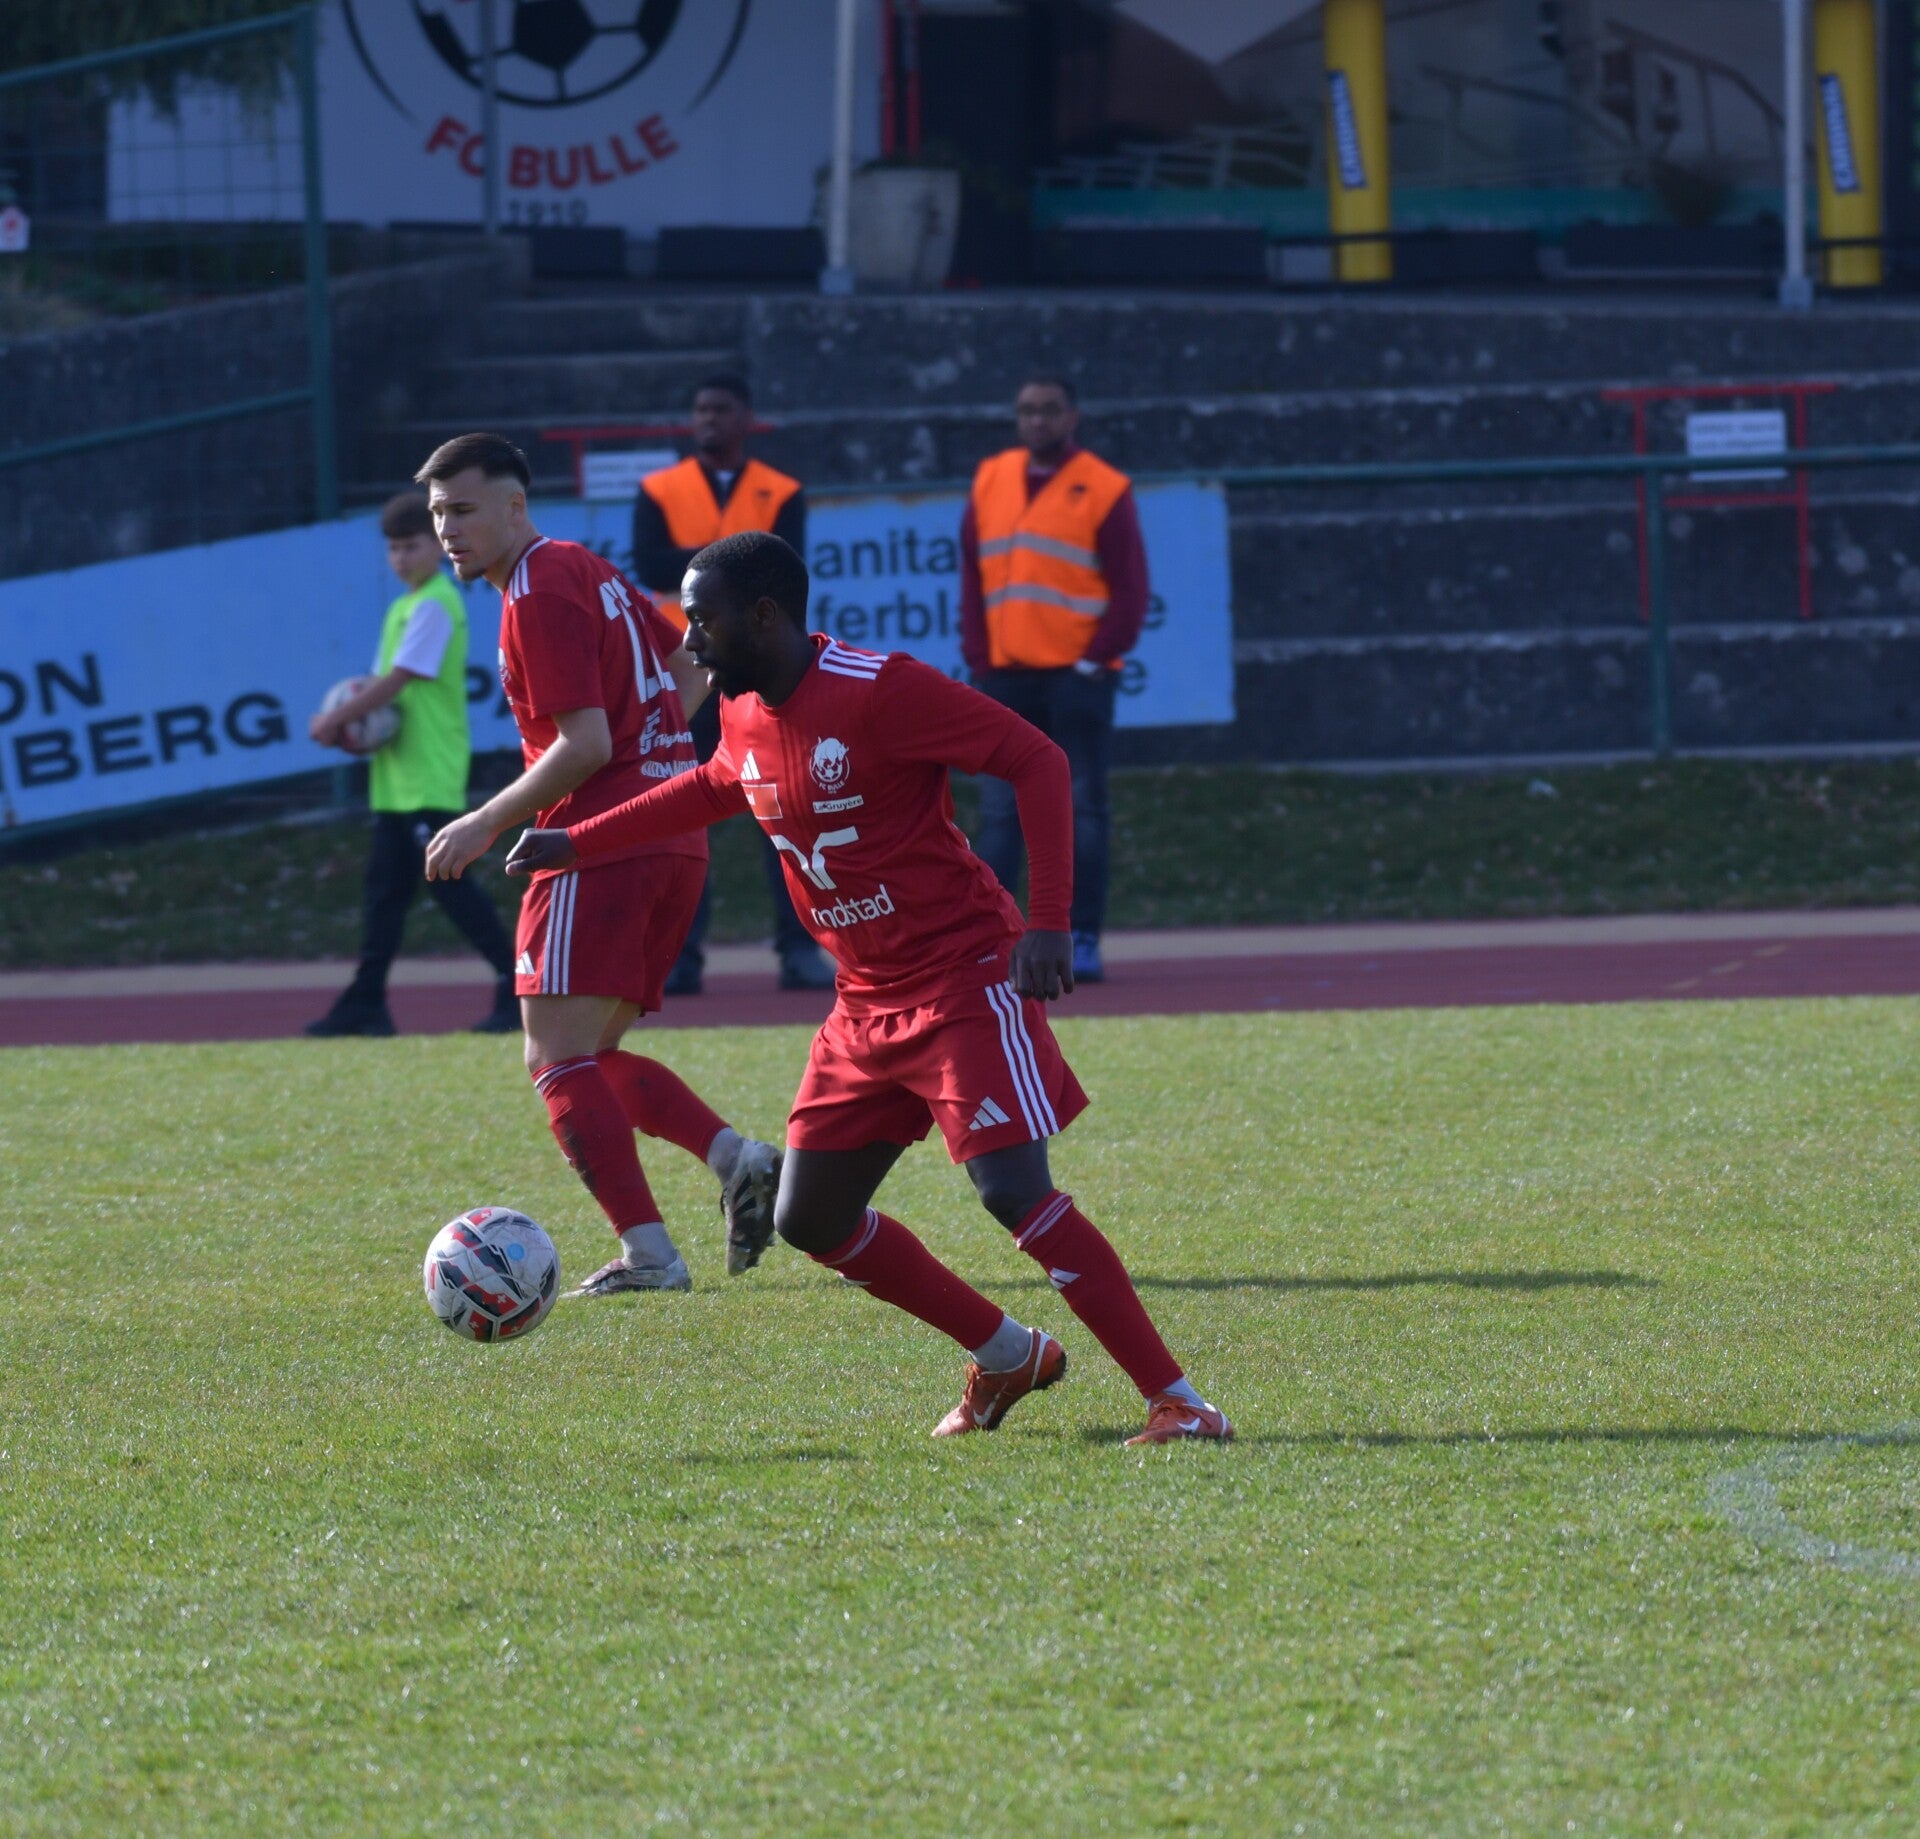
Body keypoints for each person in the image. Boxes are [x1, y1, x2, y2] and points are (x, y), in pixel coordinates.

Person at [505, 531, 1230, 1447]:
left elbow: (1038, 758)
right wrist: (576, 841)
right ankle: (1009, 1353)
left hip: (963, 974)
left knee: (1013, 1190)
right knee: (810, 1216)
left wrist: (1049, 920)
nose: (688, 643)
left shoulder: (879, 688)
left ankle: (1180, 1401)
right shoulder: (741, 707)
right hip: (864, 1000)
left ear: (764, 616)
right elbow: (718, 785)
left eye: (702, 621)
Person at [415, 433, 782, 1295]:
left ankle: (650, 1254)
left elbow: (585, 744)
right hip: (669, 835)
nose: (448, 530)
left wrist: (483, 821)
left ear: (515, 506)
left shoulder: (536, 591)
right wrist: (659, 756)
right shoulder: (583, 566)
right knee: (592, 1053)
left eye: (464, 509)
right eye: (437, 514)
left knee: (554, 1058)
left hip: (598, 840)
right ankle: (737, 1157)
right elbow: (690, 659)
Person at [631, 371, 834, 997]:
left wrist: (702, 561)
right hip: (689, 672)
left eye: (720, 409)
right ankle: (680, 956)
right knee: (680, 817)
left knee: (789, 811)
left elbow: (786, 570)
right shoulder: (659, 489)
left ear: (746, 418)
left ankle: (799, 949)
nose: (709, 419)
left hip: (761, 670)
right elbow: (650, 564)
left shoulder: (783, 490)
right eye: (700, 409)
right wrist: (739, 562)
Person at [959, 374, 1149, 987]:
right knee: (999, 814)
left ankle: (1082, 936)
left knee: (1080, 809)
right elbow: (972, 577)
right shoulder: (991, 478)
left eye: (1048, 410)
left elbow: (1131, 590)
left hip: (1075, 679)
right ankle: (990, 940)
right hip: (1006, 678)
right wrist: (980, 658)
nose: (1036, 420)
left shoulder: (1104, 486)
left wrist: (1092, 664)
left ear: (1073, 417)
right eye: (1026, 410)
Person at [305, 490, 518, 1038]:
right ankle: (366, 1001)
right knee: (385, 895)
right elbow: (389, 704)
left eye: (412, 546)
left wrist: (336, 720)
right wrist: (361, 737)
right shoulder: (404, 606)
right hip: (397, 780)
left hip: (429, 775)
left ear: (437, 547)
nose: (401, 558)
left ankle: (518, 985)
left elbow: (398, 682)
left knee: (451, 887)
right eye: (393, 549)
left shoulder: (435, 604)